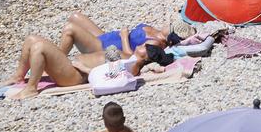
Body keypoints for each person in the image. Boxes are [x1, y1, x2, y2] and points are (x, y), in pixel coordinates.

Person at [10, 35, 171, 96]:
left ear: (145, 55)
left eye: (145, 46)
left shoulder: (132, 66)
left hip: (74, 75)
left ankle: (31, 88)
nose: (142, 44)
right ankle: (19, 77)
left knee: (39, 47)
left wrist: (84, 68)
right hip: (74, 69)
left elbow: (109, 75)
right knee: (31, 39)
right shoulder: (129, 62)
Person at [55, 13, 187, 61]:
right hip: (105, 37)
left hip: (104, 48)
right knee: (75, 17)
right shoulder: (156, 31)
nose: (168, 23)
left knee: (69, 30)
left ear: (169, 35)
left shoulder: (156, 43)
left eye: (171, 25)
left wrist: (124, 37)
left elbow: (132, 57)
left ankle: (57, 61)